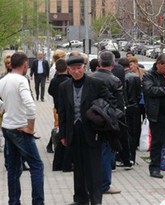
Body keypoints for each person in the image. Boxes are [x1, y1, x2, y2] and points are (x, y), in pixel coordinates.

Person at [58, 54, 113, 205]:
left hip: (92, 130)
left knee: (93, 168)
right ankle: (80, 199)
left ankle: (96, 200)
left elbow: (109, 101)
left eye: (79, 68)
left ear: (84, 68)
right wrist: (62, 134)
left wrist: (98, 114)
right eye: (73, 69)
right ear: (68, 70)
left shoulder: (96, 83)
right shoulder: (64, 87)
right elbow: (62, 112)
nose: (77, 71)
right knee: (78, 167)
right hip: (73, 131)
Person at [0, 52, 44, 205]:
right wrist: (30, 127)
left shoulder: (3, 80)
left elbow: (3, 103)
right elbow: (31, 106)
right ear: (25, 65)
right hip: (20, 128)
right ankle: (38, 202)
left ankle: (13, 201)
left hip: (7, 127)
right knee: (37, 166)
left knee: (13, 168)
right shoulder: (21, 80)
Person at [91, 51, 130, 194]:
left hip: (92, 119)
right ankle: (105, 184)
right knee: (107, 152)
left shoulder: (90, 78)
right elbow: (119, 104)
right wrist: (120, 122)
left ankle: (94, 182)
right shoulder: (114, 80)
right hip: (108, 121)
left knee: (95, 152)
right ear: (113, 64)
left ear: (99, 63)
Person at [48, 58, 72, 171]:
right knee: (66, 135)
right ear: (67, 68)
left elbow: (50, 91)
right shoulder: (69, 80)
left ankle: (57, 163)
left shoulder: (54, 81)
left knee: (60, 132)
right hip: (68, 110)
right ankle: (66, 162)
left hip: (57, 109)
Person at [118, 57, 142, 164]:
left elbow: (123, 94)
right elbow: (138, 94)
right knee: (134, 132)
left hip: (126, 108)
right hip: (135, 107)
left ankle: (126, 156)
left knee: (126, 133)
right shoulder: (136, 77)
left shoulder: (122, 78)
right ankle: (133, 156)